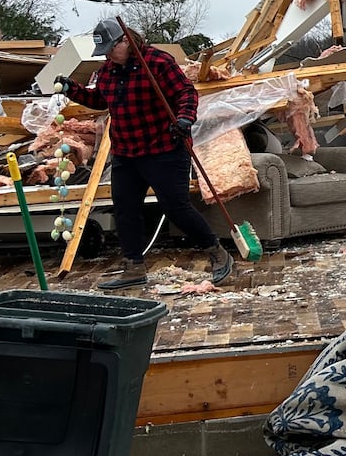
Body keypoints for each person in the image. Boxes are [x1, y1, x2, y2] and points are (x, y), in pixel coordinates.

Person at [54, 19, 233, 290]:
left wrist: (185, 118)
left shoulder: (158, 63)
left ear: (125, 40)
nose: (108, 56)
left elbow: (185, 93)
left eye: (111, 49)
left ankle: (217, 253)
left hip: (164, 146)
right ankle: (133, 266)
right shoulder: (107, 72)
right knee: (125, 210)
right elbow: (101, 100)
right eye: (104, 52)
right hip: (126, 151)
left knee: (176, 207)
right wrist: (73, 90)